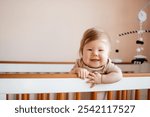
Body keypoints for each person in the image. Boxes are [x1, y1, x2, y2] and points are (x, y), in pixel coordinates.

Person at [70, 27, 123, 99]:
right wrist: (77, 70)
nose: (95, 53)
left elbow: (119, 74)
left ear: (108, 54)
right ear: (82, 51)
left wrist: (102, 79)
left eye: (100, 50)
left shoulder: (106, 66)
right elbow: (70, 74)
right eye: (89, 49)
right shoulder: (80, 64)